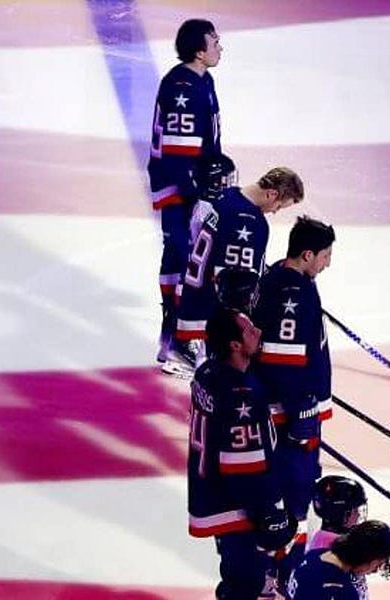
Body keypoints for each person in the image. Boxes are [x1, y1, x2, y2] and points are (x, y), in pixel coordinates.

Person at [186, 274, 296, 600]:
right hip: (234, 507)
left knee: (236, 580)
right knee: (243, 581)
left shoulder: (208, 374)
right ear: (234, 345)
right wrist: (270, 512)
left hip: (212, 497)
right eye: (249, 330)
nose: (258, 332)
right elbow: (246, 466)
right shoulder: (241, 393)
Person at [253, 216, 336, 594]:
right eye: (325, 255)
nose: (327, 263)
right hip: (288, 414)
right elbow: (284, 359)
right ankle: (287, 579)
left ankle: (273, 572)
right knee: (296, 496)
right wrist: (302, 412)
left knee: (284, 493)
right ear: (307, 254)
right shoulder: (294, 293)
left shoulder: (279, 278)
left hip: (282, 408)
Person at [165, 168, 305, 376]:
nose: (275, 211)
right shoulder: (251, 221)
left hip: (190, 296)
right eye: (279, 206)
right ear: (272, 194)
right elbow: (236, 285)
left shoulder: (227, 196)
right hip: (208, 312)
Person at [148, 19, 228, 369]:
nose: (220, 46)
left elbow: (206, 146)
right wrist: (197, 198)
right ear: (199, 51)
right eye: (214, 41)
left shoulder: (202, 80)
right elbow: (178, 154)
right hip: (180, 188)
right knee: (186, 258)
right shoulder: (183, 86)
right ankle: (179, 343)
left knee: (184, 256)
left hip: (192, 187)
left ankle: (175, 339)